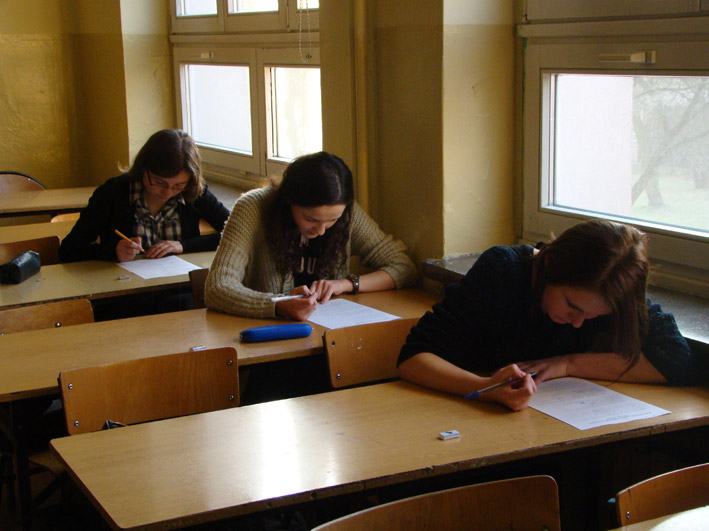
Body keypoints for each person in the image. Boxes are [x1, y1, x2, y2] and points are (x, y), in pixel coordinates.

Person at [398, 219, 705, 411]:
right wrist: (484, 388)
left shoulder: (609, 285)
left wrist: (569, 364)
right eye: (572, 306)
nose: (578, 323)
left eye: (592, 316)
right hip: (457, 413)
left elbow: (676, 359)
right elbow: (413, 359)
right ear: (550, 263)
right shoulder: (502, 270)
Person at [205, 151, 418, 320]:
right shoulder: (252, 209)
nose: (321, 230)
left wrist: (345, 284)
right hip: (268, 338)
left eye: (332, 220)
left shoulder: (348, 214)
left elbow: (403, 267)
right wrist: (277, 305)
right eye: (311, 219)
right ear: (289, 201)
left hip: (328, 334)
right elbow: (218, 288)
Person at [59, 129, 229, 263]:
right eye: (159, 182)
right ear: (143, 168)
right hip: (123, 288)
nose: (167, 192)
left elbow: (237, 235)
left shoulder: (193, 192)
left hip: (178, 286)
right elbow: (68, 250)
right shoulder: (113, 193)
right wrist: (113, 251)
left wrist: (183, 246)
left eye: (178, 185)